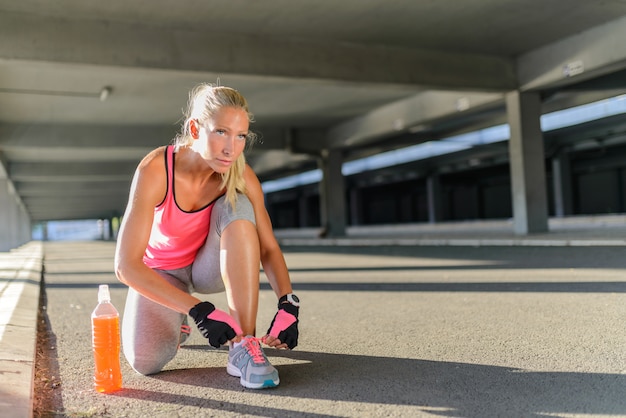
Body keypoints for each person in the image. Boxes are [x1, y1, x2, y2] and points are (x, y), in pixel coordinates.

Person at [114, 83, 300, 389]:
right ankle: (180, 319)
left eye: (240, 136)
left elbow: (267, 247)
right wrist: (197, 309)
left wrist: (288, 304)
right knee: (144, 362)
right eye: (221, 132)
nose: (231, 148)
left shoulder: (240, 174)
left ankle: (243, 346)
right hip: (163, 272)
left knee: (238, 204)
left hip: (209, 266)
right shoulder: (157, 169)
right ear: (195, 128)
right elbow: (125, 266)